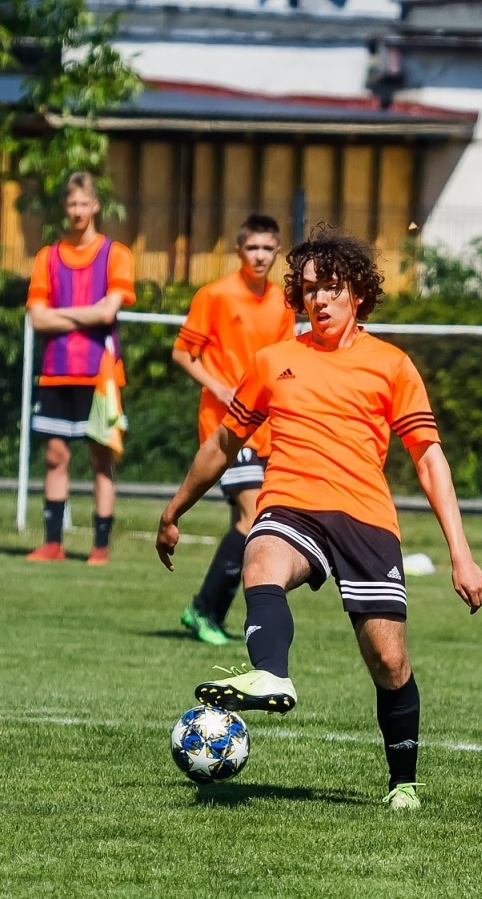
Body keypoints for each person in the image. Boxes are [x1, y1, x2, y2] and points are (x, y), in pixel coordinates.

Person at [156, 229, 482, 810]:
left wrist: (460, 553)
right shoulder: (274, 361)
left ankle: (402, 781)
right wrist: (174, 508)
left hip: (365, 517)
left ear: (358, 292)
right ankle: (272, 675)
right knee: (261, 559)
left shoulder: (391, 365)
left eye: (333, 288)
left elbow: (430, 460)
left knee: (389, 661)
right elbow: (223, 441)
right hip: (291, 503)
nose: (320, 300)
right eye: (310, 290)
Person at [171, 214, 297, 645]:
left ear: (277, 252)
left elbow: (281, 362)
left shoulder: (283, 302)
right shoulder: (216, 295)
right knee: (252, 517)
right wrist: (220, 387)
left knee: (248, 522)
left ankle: (209, 611)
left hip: (263, 427)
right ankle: (204, 609)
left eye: (268, 248)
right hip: (225, 425)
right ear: (239, 251)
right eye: (252, 248)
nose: (260, 256)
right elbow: (183, 353)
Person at [24, 173, 135, 565]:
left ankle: (100, 546)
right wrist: (86, 315)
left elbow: (109, 311)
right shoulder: (47, 257)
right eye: (71, 204)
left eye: (83, 204)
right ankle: (52, 543)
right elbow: (37, 319)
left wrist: (61, 314)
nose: (77, 211)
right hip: (56, 370)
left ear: (95, 206)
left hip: (100, 374)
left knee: (100, 459)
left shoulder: (116, 254)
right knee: (55, 457)